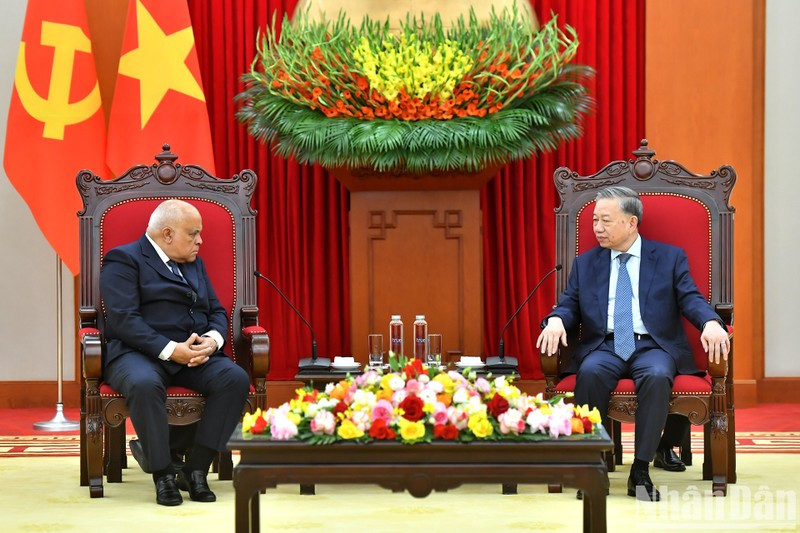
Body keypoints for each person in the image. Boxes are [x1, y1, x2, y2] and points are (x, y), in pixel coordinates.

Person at [536, 186, 728, 501]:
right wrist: (556, 320)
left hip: (653, 346)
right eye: (595, 220)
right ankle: (592, 466)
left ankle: (640, 469)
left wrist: (709, 322)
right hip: (605, 345)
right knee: (591, 373)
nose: (597, 228)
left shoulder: (668, 257)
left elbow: (690, 298)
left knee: (655, 376)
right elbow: (569, 304)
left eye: (605, 221)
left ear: (631, 222)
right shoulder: (587, 264)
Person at [100, 199, 250, 506]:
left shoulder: (194, 262)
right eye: (193, 233)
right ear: (167, 234)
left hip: (192, 353)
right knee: (143, 384)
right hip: (136, 352)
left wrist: (212, 341)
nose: (200, 241)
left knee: (234, 378)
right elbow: (124, 320)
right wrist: (171, 350)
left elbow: (217, 311)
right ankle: (164, 475)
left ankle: (196, 470)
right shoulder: (124, 259)